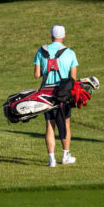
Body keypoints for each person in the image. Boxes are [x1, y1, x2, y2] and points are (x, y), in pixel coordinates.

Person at [34, 25, 79, 167]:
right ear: (64, 36)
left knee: (50, 125)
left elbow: (37, 75)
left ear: (51, 36)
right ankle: (65, 155)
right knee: (65, 123)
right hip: (63, 94)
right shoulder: (70, 53)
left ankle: (51, 159)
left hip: (46, 93)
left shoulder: (41, 51)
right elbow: (73, 77)